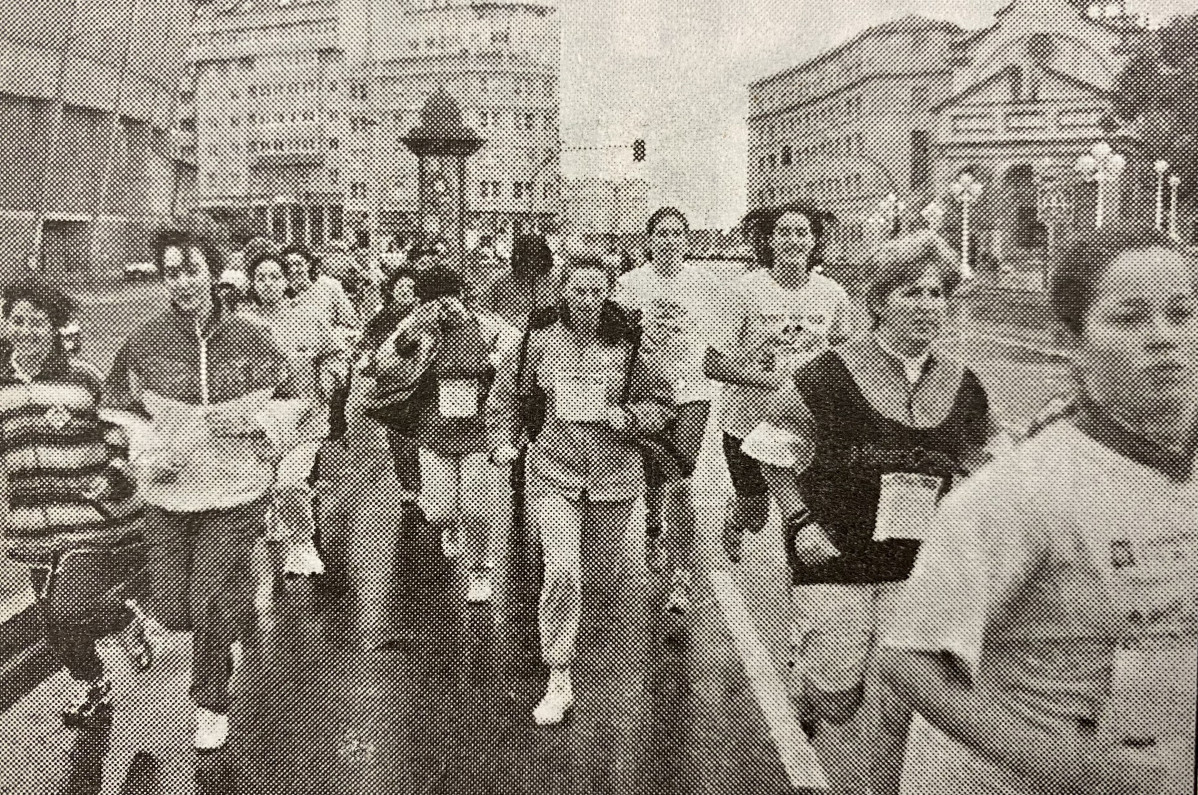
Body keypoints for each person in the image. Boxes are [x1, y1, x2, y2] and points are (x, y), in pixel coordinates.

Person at [877, 222, 1197, 795]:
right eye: (1129, 318)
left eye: (1182, 313)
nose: (1164, 338)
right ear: (1072, 342)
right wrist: (1076, 769)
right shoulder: (1022, 491)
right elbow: (910, 660)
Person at [740, 231, 999, 795]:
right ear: (879, 300)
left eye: (937, 294)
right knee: (837, 693)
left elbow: (985, 462)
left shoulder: (963, 384)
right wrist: (800, 521)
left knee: (894, 699)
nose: (927, 306)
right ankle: (808, 692)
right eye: (911, 292)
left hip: (915, 565)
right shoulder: (827, 375)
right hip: (835, 554)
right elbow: (769, 450)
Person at [104, 228, 302, 751]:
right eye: (173, 272)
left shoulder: (253, 339)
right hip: (169, 493)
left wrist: (263, 426)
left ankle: (211, 701)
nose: (183, 281)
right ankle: (225, 615)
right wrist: (145, 449)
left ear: (214, 273)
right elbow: (118, 409)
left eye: (192, 269)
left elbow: (295, 400)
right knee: (172, 608)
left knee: (208, 594)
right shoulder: (143, 342)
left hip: (236, 493)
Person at [485, 256, 675, 725]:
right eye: (578, 291)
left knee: (599, 579)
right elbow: (505, 395)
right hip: (552, 470)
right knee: (563, 570)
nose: (587, 301)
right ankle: (559, 674)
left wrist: (628, 418)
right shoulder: (537, 341)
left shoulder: (630, 346)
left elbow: (664, 403)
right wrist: (503, 441)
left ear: (607, 293)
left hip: (614, 477)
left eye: (596, 292)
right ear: (563, 291)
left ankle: (572, 644)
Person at [0, 280, 144, 730]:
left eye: (36, 322)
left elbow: (123, 433)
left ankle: (120, 617)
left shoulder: (83, 378)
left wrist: (113, 477)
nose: (25, 331)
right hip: (33, 529)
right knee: (52, 626)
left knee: (68, 609)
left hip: (91, 521)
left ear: (55, 327)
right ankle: (94, 686)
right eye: (16, 321)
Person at [705, 203, 851, 563]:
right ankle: (735, 518)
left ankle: (801, 595)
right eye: (784, 232)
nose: (793, 240)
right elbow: (712, 363)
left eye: (802, 233)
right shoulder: (744, 290)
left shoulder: (832, 294)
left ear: (814, 241)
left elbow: (846, 357)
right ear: (769, 240)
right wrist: (777, 381)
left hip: (805, 424)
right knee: (756, 515)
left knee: (803, 517)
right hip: (746, 423)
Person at [611, 207, 727, 613]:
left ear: (687, 240)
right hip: (645, 394)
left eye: (677, 233)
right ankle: (655, 522)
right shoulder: (629, 285)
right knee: (654, 472)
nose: (669, 240)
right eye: (661, 233)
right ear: (649, 240)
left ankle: (679, 575)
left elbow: (720, 341)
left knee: (680, 475)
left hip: (692, 390)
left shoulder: (706, 284)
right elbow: (616, 341)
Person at [378, 269, 515, 603]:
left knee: (477, 507)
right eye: (434, 300)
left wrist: (494, 361)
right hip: (433, 429)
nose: (444, 305)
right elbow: (382, 365)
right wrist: (410, 335)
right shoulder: (417, 330)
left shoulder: (485, 326)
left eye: (450, 296)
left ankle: (480, 571)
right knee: (438, 509)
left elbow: (515, 348)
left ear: (462, 295)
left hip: (478, 429)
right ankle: (450, 525)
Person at [244, 251, 348, 590]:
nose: (269, 284)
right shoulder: (243, 326)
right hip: (263, 421)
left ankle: (302, 545)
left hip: (305, 416)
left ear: (286, 281)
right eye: (262, 278)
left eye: (276, 276)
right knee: (266, 489)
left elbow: (336, 353)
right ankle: (280, 525)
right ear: (253, 284)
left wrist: (332, 376)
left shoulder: (308, 317)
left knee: (290, 482)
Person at [281, 244, 359, 336]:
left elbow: (352, 324)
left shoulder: (329, 287)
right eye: (288, 266)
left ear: (308, 264)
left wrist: (329, 335)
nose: (293, 269)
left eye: (298, 264)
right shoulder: (282, 295)